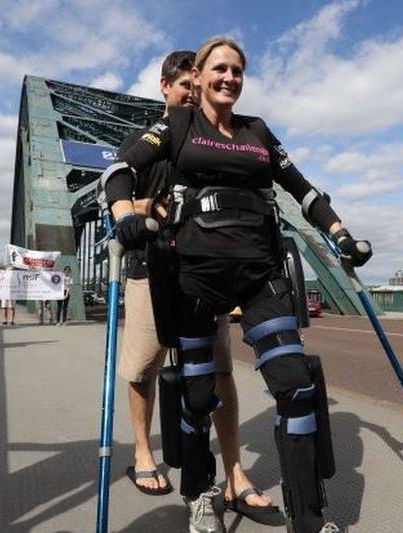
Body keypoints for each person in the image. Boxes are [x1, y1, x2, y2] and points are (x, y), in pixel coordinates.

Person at [107, 37, 372, 533]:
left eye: (237, 71)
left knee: (295, 385)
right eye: (219, 69)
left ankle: (310, 519)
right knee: (198, 394)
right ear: (201, 76)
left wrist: (340, 234)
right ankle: (200, 493)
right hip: (194, 279)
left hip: (259, 274)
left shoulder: (257, 131)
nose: (228, 78)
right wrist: (125, 212)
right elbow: (121, 170)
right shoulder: (177, 124)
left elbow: (304, 189)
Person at [103, 50, 278, 525]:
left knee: (218, 371)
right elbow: (115, 195)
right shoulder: (153, 139)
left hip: (201, 270)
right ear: (166, 87)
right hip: (148, 266)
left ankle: (235, 474)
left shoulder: (207, 139)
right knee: (144, 365)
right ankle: (144, 453)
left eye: (193, 86)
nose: (190, 93)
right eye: (183, 86)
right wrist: (144, 210)